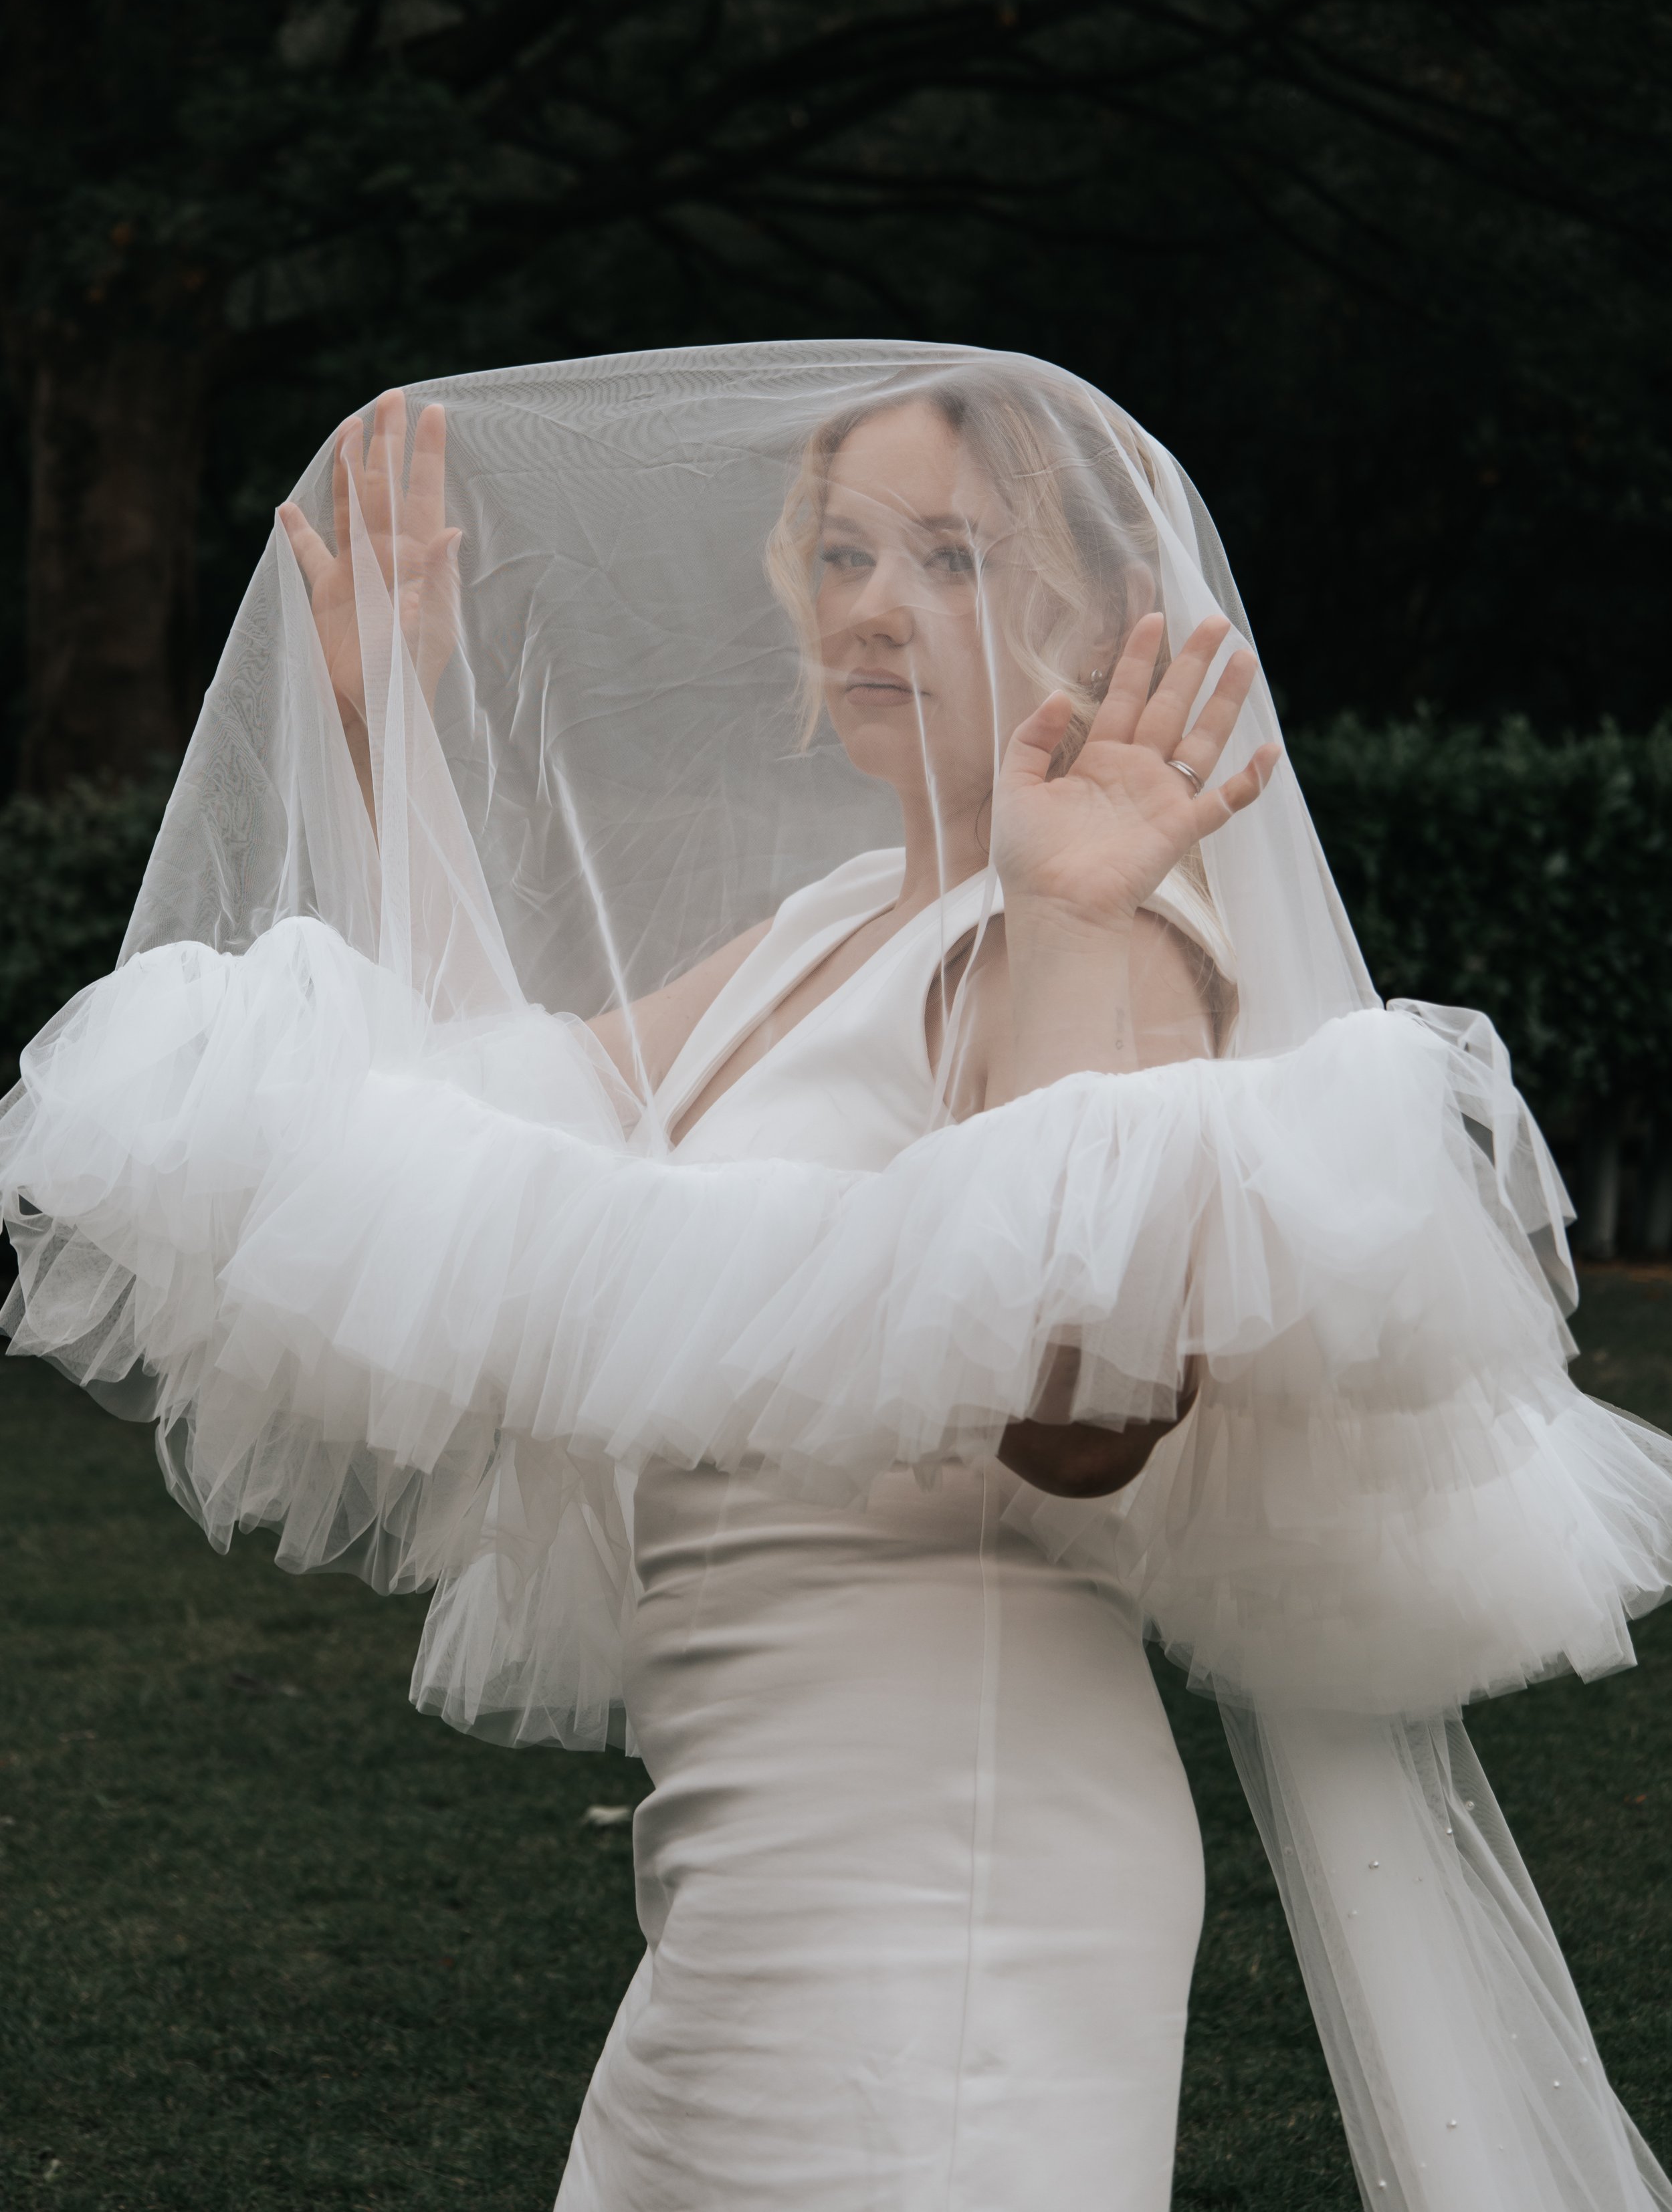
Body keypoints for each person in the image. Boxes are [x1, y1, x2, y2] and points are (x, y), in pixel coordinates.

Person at [4, 344, 1670, 2212]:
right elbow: (491, 1121)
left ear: (1102, 612)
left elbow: (1086, 1416)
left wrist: (1061, 912)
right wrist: (394, 726)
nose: (870, 609)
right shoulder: (825, 933)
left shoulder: (1099, 934)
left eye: (950, 561)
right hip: (744, 1867)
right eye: (837, 554)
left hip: (945, 1891)